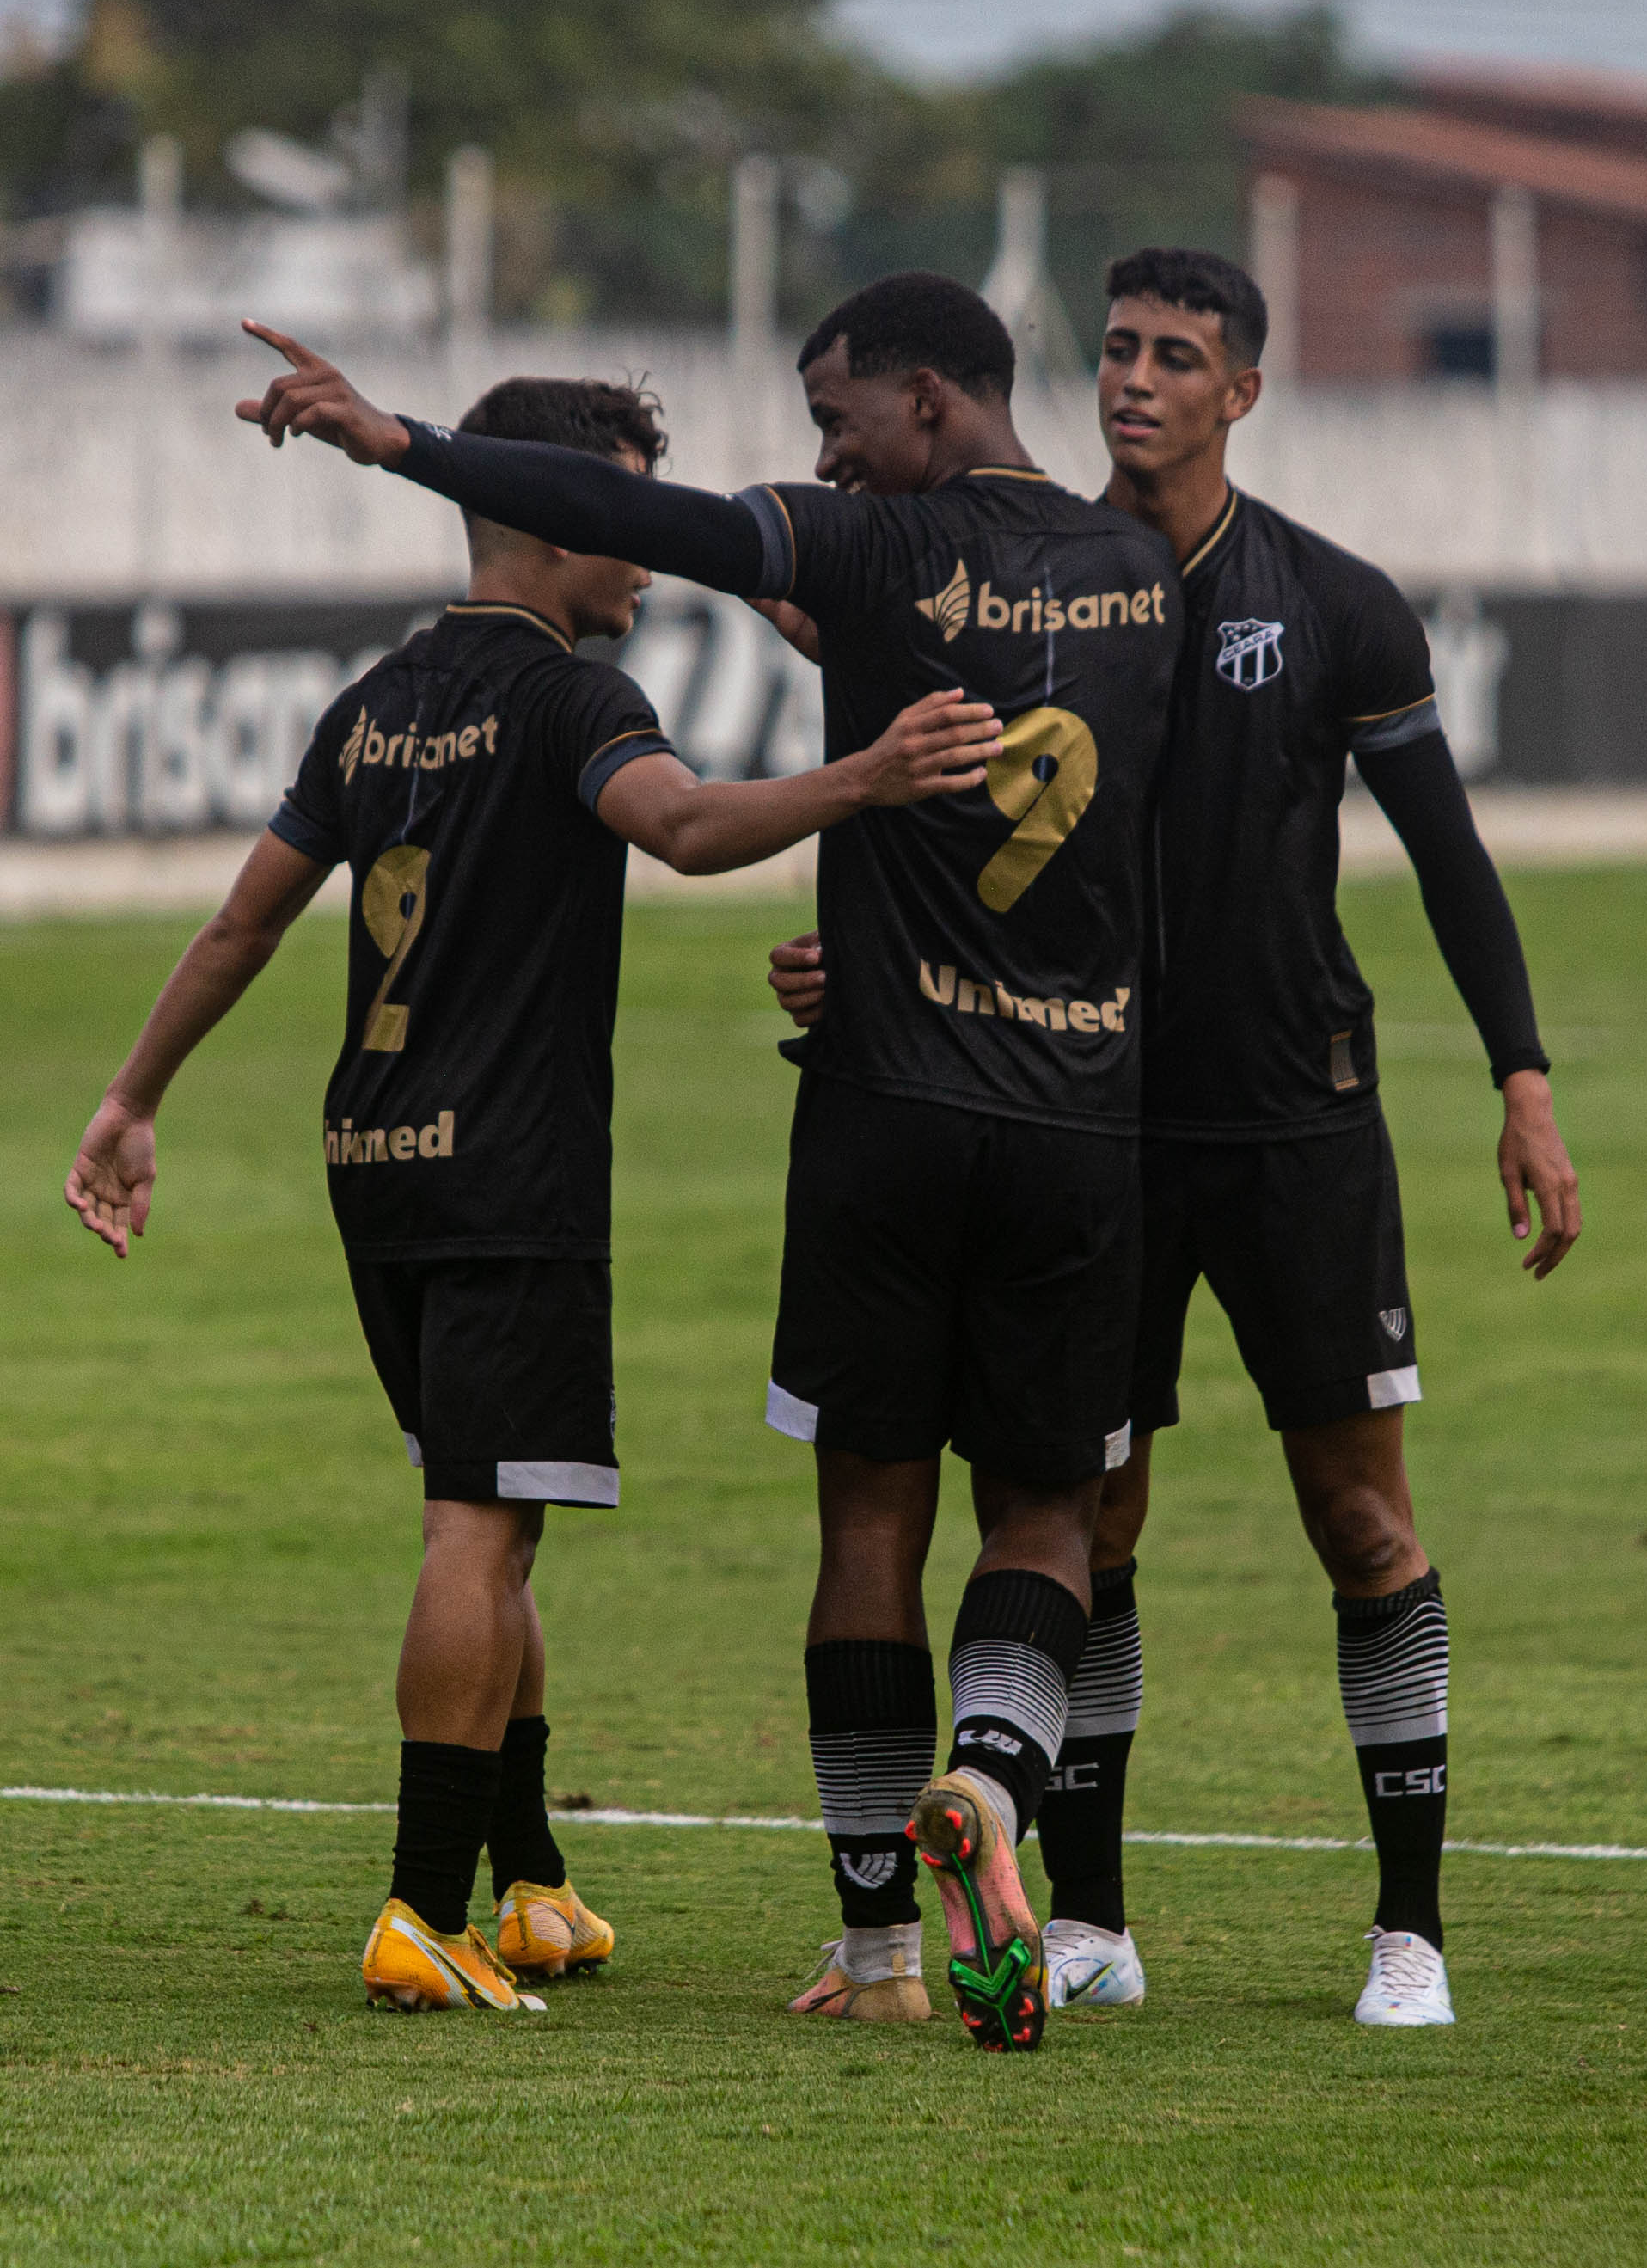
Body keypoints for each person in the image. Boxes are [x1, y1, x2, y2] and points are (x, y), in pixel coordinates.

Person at [236, 273, 1182, 2053]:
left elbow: (641, 518)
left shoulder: (873, 553)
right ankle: (990, 1778)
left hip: (881, 1110)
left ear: (923, 398)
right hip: (1078, 1114)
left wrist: (397, 441)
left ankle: (877, 1942)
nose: (822, 458)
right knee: (1048, 1512)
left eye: (834, 419)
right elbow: (1170, 834)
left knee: (867, 1517)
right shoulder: (1143, 574)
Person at [65, 374, 1002, 2015]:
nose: (644, 554)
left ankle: (529, 1881)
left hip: (374, 1159)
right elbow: (684, 828)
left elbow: (242, 923)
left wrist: (133, 1097)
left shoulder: (372, 704)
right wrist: (864, 778)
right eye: (626, 516)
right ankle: (420, 1906)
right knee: (476, 1527)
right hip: (510, 1170)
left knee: (493, 1512)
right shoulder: (571, 701)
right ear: (560, 524)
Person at [768, 249, 1581, 2029]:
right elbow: (940, 819)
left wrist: (1519, 1076)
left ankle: (1409, 1932)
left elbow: (1447, 855)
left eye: (1177, 357)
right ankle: (1089, 1919)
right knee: (1092, 1516)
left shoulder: (1337, 605)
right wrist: (860, 966)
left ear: (1242, 392)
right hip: (1095, 1124)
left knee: (1358, 1518)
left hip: (1295, 1121)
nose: (1134, 379)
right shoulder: (1026, 578)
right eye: (1119, 349)